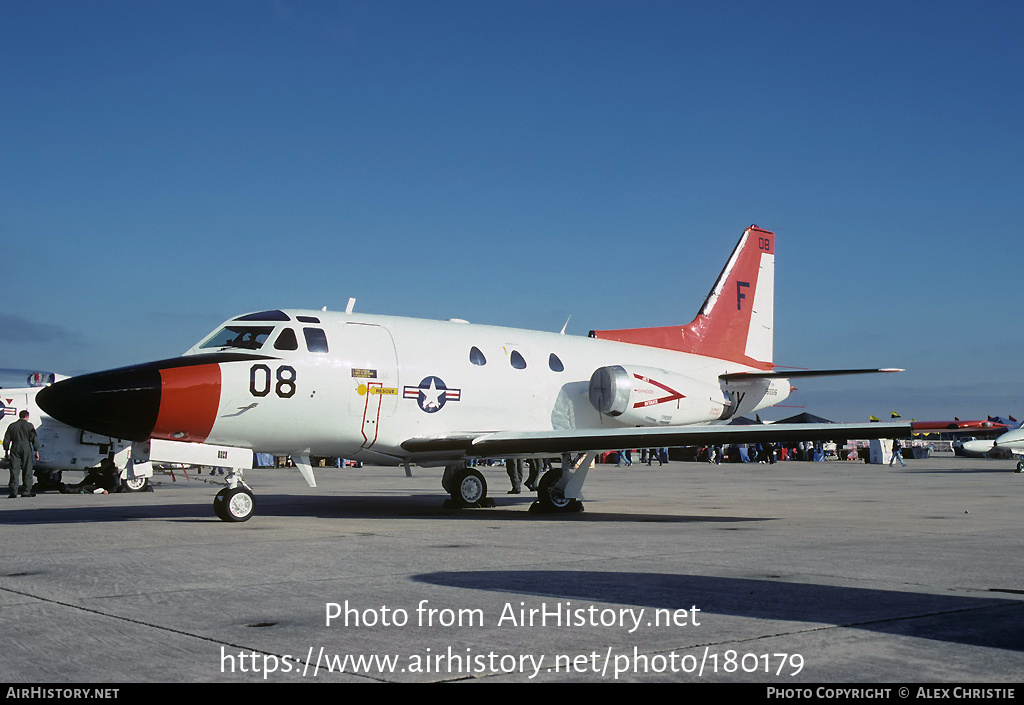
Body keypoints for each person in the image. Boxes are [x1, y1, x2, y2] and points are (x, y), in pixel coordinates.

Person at [4, 410, 40, 498]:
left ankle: (13, 492)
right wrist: (36, 451)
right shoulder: (29, 426)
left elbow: (6, 440)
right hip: (25, 447)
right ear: (27, 416)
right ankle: (26, 491)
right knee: (27, 470)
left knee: (14, 470)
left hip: (15, 447)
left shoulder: (12, 426)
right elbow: (34, 439)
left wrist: (6, 452)